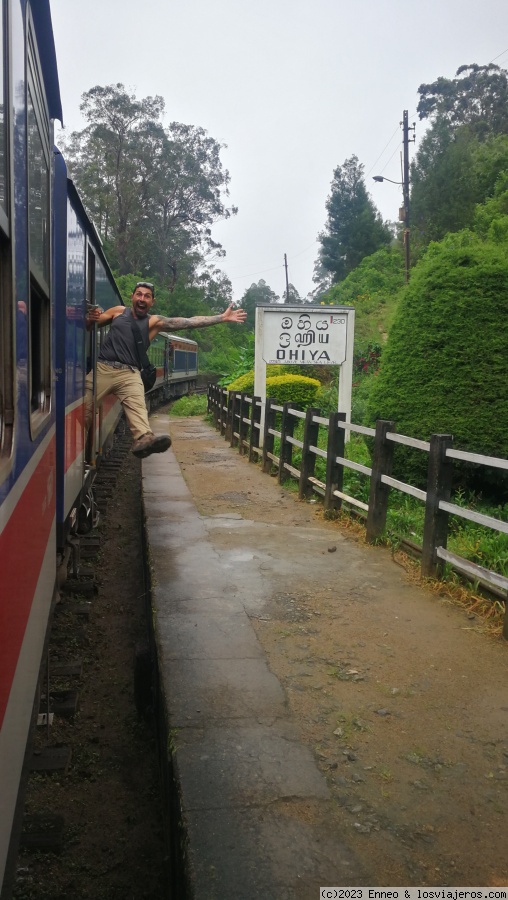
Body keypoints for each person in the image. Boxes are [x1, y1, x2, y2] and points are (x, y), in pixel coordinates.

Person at [85, 281, 247, 458]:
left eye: (147, 296)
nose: (142, 299)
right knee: (82, 407)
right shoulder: (117, 311)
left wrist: (221, 318)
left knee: (138, 405)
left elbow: (188, 322)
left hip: (129, 373)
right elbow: (93, 323)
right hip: (103, 368)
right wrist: (90, 317)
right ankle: (78, 444)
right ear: (132, 297)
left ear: (152, 302)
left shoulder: (154, 322)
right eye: (139, 294)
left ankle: (144, 439)